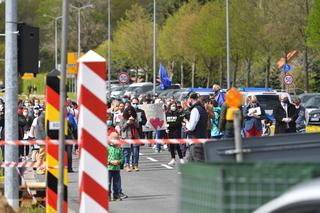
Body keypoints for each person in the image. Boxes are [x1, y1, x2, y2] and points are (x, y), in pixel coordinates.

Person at [183, 93, 208, 162]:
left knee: (199, 165)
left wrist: (186, 122)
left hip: (196, 142)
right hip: (200, 139)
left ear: (190, 99)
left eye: (188, 99)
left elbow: (191, 127)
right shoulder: (202, 109)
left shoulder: (195, 110)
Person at [120, 106, 140, 172]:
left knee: (135, 152)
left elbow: (138, 126)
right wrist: (127, 122)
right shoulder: (123, 118)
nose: (129, 112)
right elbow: (122, 128)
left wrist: (133, 121)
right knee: (126, 152)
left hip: (135, 136)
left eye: (131, 111)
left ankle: (135, 165)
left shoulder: (136, 117)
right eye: (128, 111)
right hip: (126, 137)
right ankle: (127, 165)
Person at [108, 132, 124, 201]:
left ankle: (116, 195)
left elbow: (122, 158)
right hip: (108, 168)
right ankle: (107, 195)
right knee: (108, 183)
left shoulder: (119, 149)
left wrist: (119, 161)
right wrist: (110, 161)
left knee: (116, 183)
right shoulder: (107, 148)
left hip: (116, 168)